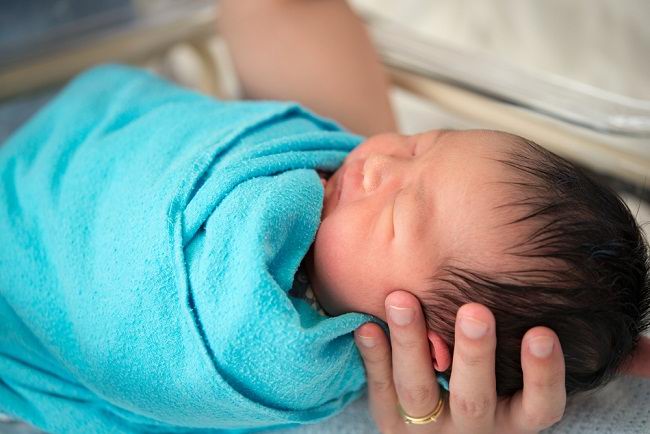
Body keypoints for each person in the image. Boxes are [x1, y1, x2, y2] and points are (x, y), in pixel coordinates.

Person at [220, 0, 650, 432]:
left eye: (396, 215)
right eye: (418, 145)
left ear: (423, 350)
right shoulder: (328, 144)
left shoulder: (278, 359)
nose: (378, 162)